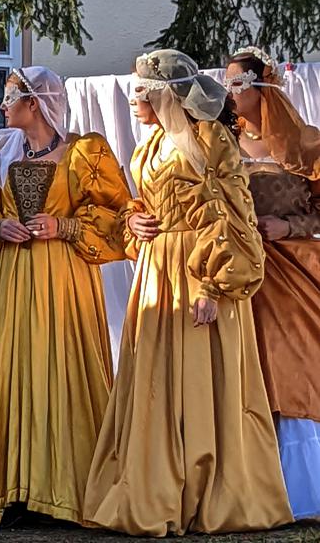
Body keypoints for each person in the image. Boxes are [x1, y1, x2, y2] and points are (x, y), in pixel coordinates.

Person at [83, 49, 293, 536]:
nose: (135, 98)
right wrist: (132, 221)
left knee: (202, 380)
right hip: (158, 272)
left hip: (199, 272)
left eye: (143, 90)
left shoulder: (210, 138)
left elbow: (232, 215)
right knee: (156, 381)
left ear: (164, 94)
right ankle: (157, 489)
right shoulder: (148, 145)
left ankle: (209, 493)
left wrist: (215, 286)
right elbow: (143, 206)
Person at [0, 66, 131, 528]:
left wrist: (63, 225)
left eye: (10, 98)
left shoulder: (84, 153)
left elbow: (116, 215)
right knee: (12, 370)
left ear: (35, 104)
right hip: (11, 276)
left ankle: (66, 491)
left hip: (64, 277)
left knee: (61, 368)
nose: (2, 106)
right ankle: (12, 489)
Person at [225, 46, 320, 521]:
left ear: (261, 86)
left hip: (296, 271)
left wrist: (291, 228)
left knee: (295, 368)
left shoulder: (307, 146)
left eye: (236, 84)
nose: (229, 93)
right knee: (249, 371)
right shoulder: (222, 145)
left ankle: (301, 490)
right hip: (243, 273)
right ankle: (251, 487)